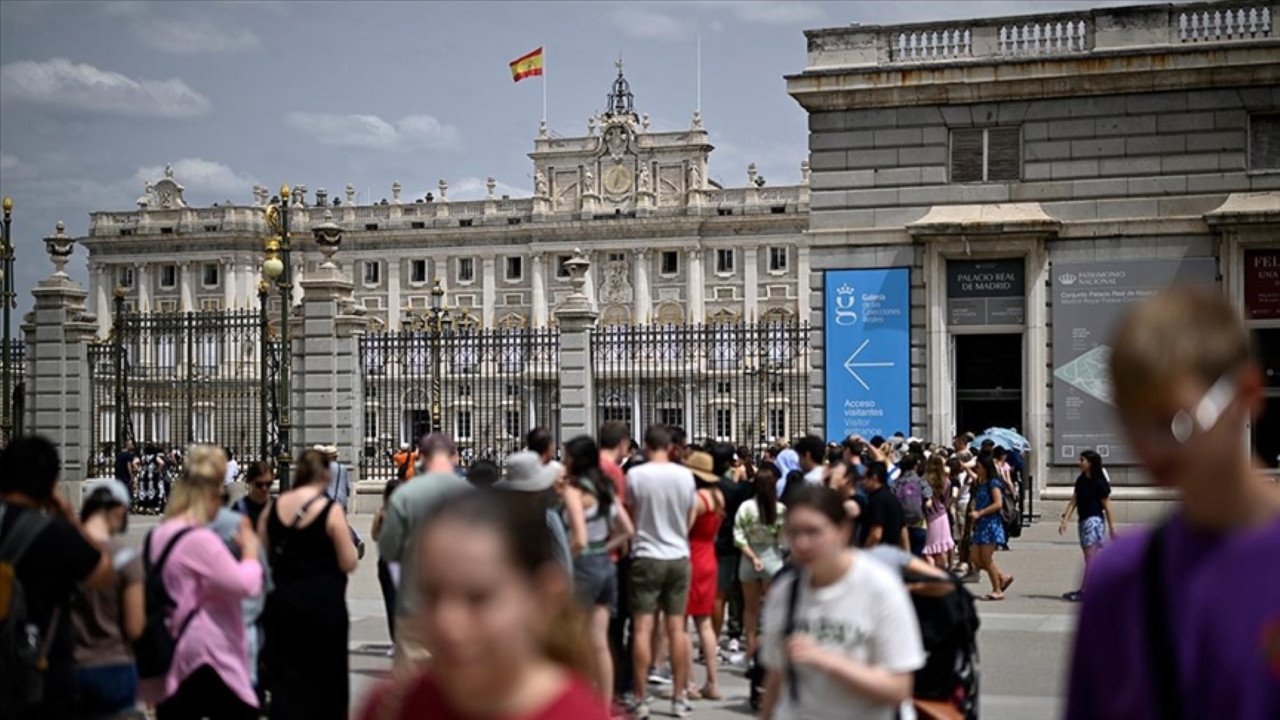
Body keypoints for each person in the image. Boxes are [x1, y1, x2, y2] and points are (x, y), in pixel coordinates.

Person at [1067, 288, 1280, 720]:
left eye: (1173, 422)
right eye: (1132, 424)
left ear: (1247, 395)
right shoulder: (1120, 577)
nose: (1151, 451)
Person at [359, 492, 609, 719]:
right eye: (431, 594)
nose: (448, 622)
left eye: (478, 597)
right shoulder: (392, 706)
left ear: (544, 597)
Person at [758, 485, 925, 720]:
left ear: (843, 530)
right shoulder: (785, 592)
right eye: (793, 533)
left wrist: (827, 660)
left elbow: (898, 688)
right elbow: (775, 677)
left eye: (813, 531)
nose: (802, 543)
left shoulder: (880, 588)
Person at [138, 444, 262, 719]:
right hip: (207, 651)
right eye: (219, 497)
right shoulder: (200, 540)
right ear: (207, 495)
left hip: (170, 646)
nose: (221, 505)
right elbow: (246, 585)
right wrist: (251, 552)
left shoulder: (158, 535)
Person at [0, 435, 112, 720]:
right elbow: (104, 576)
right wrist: (68, 518)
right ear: (51, 484)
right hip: (40, 674)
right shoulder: (56, 534)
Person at [260, 448, 358, 719]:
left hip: (283, 605)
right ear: (325, 474)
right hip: (323, 607)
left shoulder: (273, 508)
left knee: (286, 682)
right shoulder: (330, 510)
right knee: (328, 683)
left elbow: (261, 557)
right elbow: (349, 560)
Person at [378, 432, 473, 675]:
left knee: (413, 690)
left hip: (415, 603)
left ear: (420, 456)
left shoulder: (405, 495)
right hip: (460, 606)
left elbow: (388, 548)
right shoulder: (470, 494)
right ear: (454, 456)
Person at [625, 425, 697, 719]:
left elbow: (630, 513)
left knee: (642, 629)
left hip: (646, 554)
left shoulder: (636, 475)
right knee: (677, 628)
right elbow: (691, 513)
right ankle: (679, 697)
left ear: (645, 445)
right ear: (671, 447)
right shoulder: (685, 475)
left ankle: (641, 698)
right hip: (678, 554)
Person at [558, 435, 634, 708]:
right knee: (600, 641)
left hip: (583, 567)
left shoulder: (574, 491)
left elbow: (578, 537)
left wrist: (564, 559)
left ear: (576, 460)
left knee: (575, 639)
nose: (563, 460)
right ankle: (602, 705)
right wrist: (604, 546)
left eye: (566, 456)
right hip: (605, 565)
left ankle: (577, 702)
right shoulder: (604, 488)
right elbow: (627, 530)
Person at [71, 480, 144, 719]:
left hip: (71, 664)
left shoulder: (64, 548)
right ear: (120, 509)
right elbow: (134, 627)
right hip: (114, 663)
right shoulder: (125, 557)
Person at [684, 450, 725, 702]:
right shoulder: (718, 497)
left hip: (693, 555)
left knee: (683, 625)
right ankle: (713, 681)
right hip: (710, 555)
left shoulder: (696, 499)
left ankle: (689, 682)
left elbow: (685, 528)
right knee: (706, 624)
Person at [734, 464, 786, 661]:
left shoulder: (746, 508)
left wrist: (753, 557)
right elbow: (784, 539)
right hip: (772, 558)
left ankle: (750, 649)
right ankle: (770, 649)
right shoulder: (780, 509)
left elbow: (738, 536)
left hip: (749, 559)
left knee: (750, 609)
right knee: (772, 608)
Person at [1059, 449, 1115, 602]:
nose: (1079, 462)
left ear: (1090, 463)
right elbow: (1074, 501)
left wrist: (1111, 528)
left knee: (1091, 557)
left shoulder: (1099, 482)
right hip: (1083, 520)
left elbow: (1107, 505)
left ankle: (1086, 590)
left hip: (1094, 521)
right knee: (1090, 557)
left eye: (1082, 460)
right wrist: (1065, 519)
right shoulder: (1081, 480)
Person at [968, 456, 1013, 601]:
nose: (976, 468)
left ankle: (997, 589)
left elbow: (998, 503)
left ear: (986, 468)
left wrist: (980, 513)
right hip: (981, 524)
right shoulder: (981, 482)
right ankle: (1001, 576)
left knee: (986, 558)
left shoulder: (993, 483)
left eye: (979, 466)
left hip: (991, 523)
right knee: (975, 557)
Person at [372, 479, 402, 644]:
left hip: (386, 560)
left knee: (391, 602)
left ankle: (396, 640)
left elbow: (374, 535)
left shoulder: (382, 513)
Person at [857, 462, 907, 551]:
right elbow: (903, 531)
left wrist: (863, 556)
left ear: (873, 478)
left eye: (864, 478)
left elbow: (876, 534)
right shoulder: (892, 498)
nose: (861, 482)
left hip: (877, 555)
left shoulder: (877, 500)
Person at [922, 455, 956, 570]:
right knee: (942, 548)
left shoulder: (924, 481)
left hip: (929, 517)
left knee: (929, 550)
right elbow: (946, 500)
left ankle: (931, 573)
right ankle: (943, 572)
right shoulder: (946, 481)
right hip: (942, 516)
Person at [232, 462, 272, 529]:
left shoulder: (275, 507)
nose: (264, 488)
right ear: (251, 482)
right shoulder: (239, 508)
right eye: (259, 484)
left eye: (268, 484)